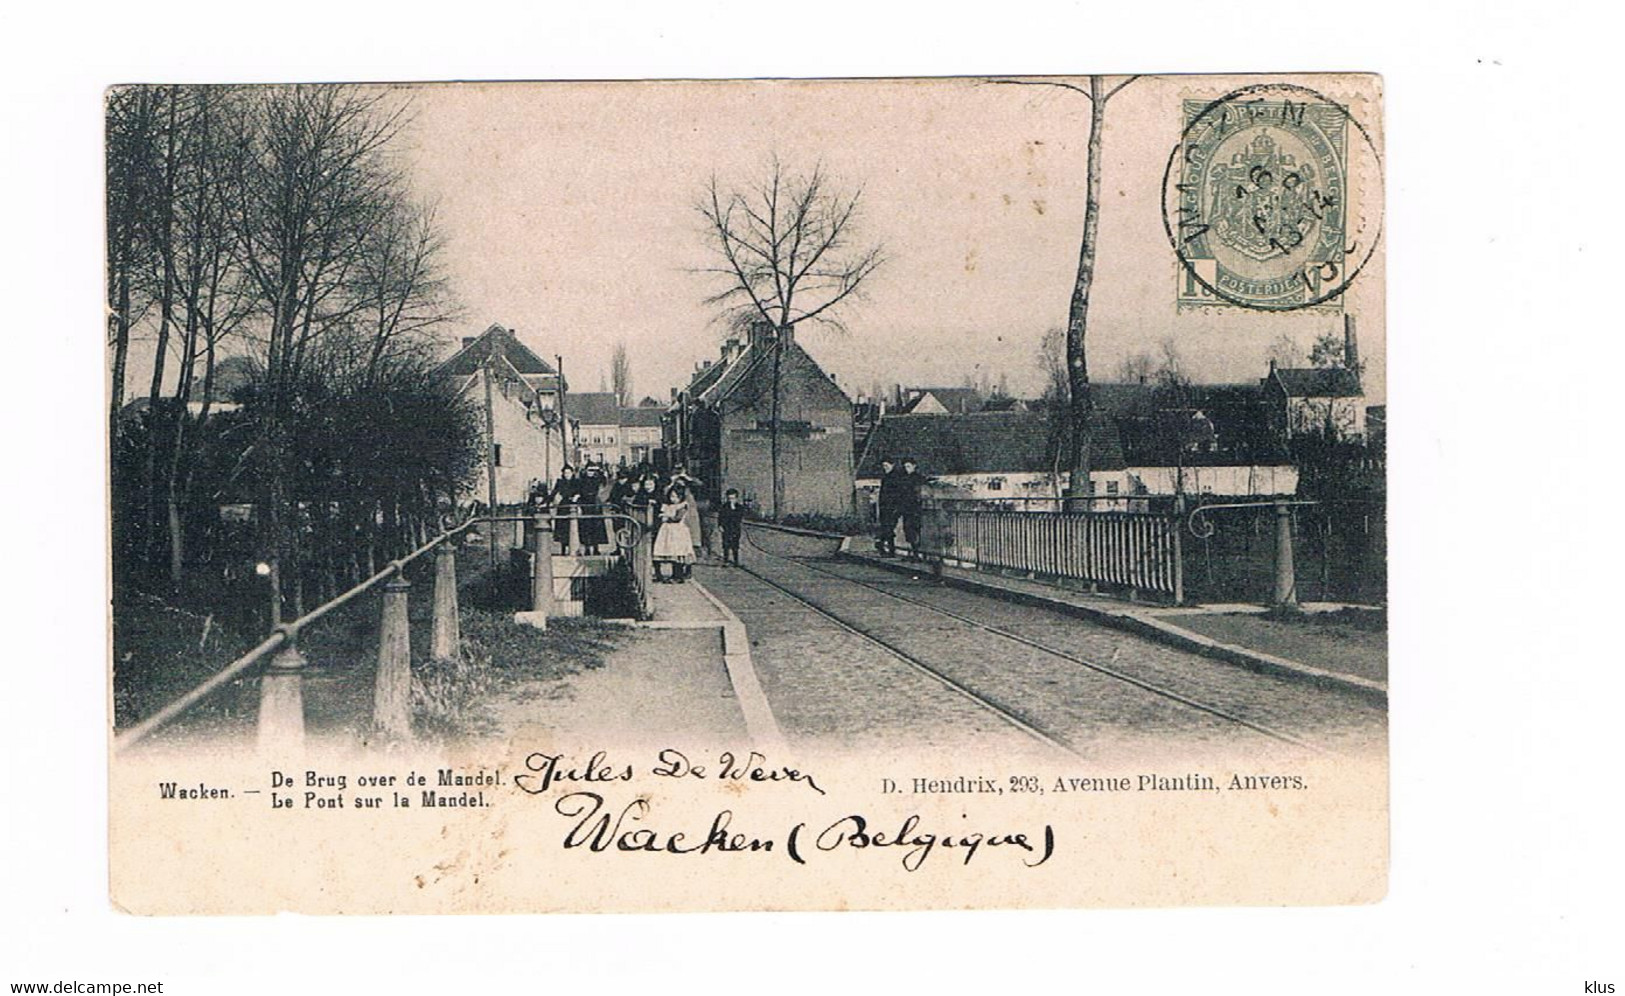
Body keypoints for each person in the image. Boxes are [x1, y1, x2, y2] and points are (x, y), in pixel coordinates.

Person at [652, 483, 697, 583]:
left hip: (678, 531)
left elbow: (677, 518)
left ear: (681, 497)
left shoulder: (682, 506)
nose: (673, 499)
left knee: (678, 553)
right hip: (667, 531)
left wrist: (666, 517)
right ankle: (672, 575)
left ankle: (679, 576)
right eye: (672, 496)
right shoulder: (668, 506)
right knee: (670, 552)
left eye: (676, 496)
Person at [896, 457, 926, 558]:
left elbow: (920, 493)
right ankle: (915, 552)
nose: (906, 469)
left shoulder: (918, 478)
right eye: (905, 467)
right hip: (906, 509)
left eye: (908, 466)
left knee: (916, 530)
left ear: (914, 466)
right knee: (908, 530)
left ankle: (917, 552)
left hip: (916, 509)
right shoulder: (903, 479)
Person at [875, 457, 899, 555]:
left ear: (892, 465)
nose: (885, 468)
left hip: (892, 506)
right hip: (885, 507)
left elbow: (897, 493)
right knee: (888, 528)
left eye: (886, 465)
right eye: (883, 466)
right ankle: (888, 548)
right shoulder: (886, 477)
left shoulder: (895, 477)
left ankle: (882, 544)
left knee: (889, 528)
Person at [717, 488, 746, 566]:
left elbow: (740, 517)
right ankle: (726, 561)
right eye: (729, 498)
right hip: (726, 528)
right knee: (726, 545)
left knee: (735, 545)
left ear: (736, 498)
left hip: (735, 528)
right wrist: (720, 526)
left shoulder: (739, 507)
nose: (731, 500)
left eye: (733, 498)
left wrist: (733, 509)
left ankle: (736, 561)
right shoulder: (724, 507)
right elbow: (720, 517)